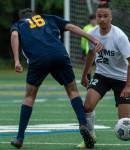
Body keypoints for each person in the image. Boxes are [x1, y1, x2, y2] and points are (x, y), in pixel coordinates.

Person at [10, 8, 103, 149]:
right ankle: (84, 125)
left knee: (29, 96)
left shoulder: (19, 24)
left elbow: (15, 36)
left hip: (38, 59)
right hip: (59, 54)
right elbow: (71, 27)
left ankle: (20, 138)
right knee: (72, 91)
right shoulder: (48, 18)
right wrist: (93, 39)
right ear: (35, 15)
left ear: (21, 17)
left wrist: (16, 61)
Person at [77, 3, 130, 148]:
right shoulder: (93, 34)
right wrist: (84, 75)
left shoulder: (119, 36)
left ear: (111, 18)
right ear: (96, 17)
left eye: (105, 16)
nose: (102, 19)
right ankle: (91, 136)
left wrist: (128, 85)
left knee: (123, 119)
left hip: (121, 79)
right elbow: (90, 54)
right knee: (87, 106)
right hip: (102, 75)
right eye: (99, 16)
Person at [81, 14, 97, 81]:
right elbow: (83, 40)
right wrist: (84, 50)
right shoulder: (86, 28)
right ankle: (89, 81)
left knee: (100, 67)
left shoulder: (99, 27)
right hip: (89, 51)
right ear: (90, 21)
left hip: (99, 51)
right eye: (92, 20)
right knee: (89, 67)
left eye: (95, 20)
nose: (93, 21)